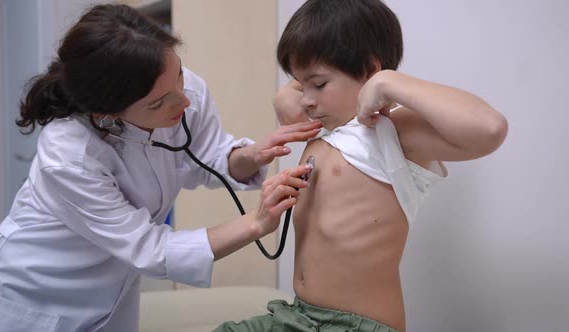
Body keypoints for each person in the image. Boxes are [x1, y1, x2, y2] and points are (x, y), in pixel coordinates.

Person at [0, 4, 323, 332]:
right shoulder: (70, 155)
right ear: (109, 112)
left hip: (114, 294)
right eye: (159, 102)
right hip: (37, 295)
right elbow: (150, 249)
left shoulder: (177, 87)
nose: (184, 99)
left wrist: (250, 154)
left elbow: (207, 157)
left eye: (179, 75)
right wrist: (257, 222)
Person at [215, 0, 508, 331]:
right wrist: (318, 66)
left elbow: (489, 128)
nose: (306, 98)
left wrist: (386, 82)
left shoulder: (392, 133)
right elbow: (283, 100)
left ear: (370, 70)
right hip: (298, 315)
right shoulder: (322, 126)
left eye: (319, 83)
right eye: (302, 83)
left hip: (356, 326)